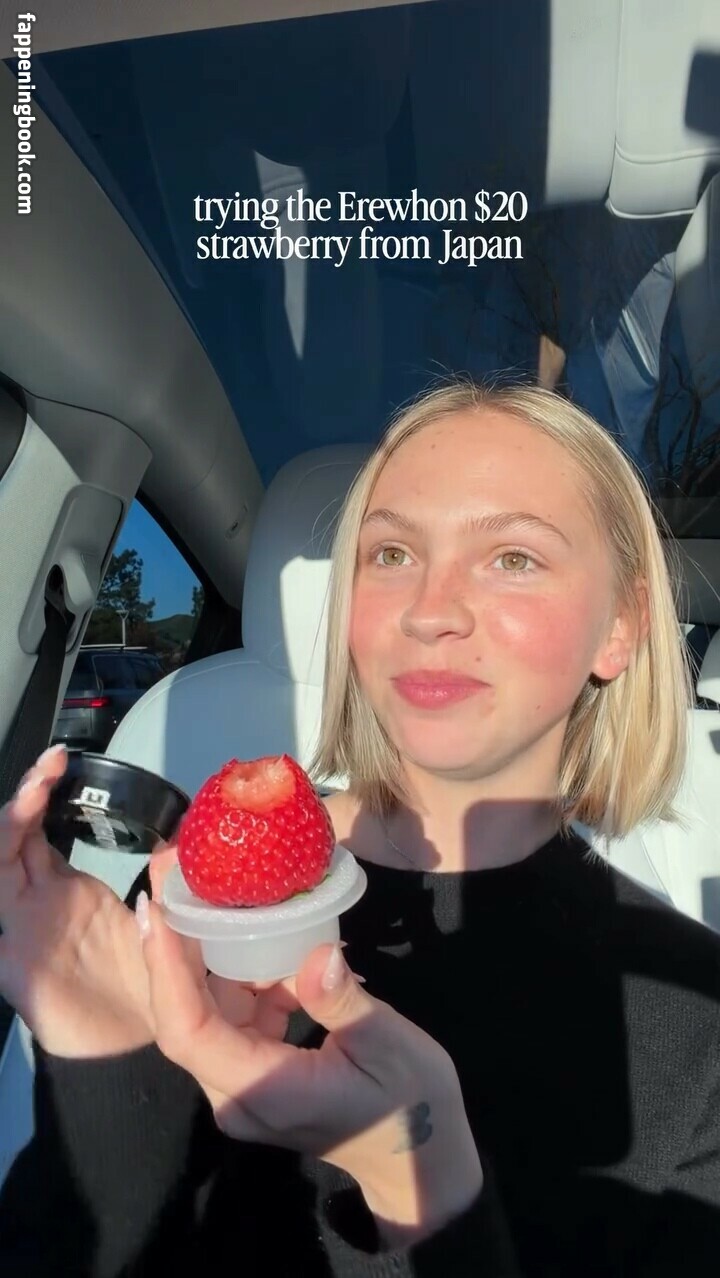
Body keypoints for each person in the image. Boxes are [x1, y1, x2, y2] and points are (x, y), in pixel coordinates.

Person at [1, 380, 720, 1277]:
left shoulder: (698, 1026)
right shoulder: (207, 897)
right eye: (391, 552)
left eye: (513, 557)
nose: (428, 609)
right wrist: (108, 1071)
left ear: (621, 626)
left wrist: (419, 1190)